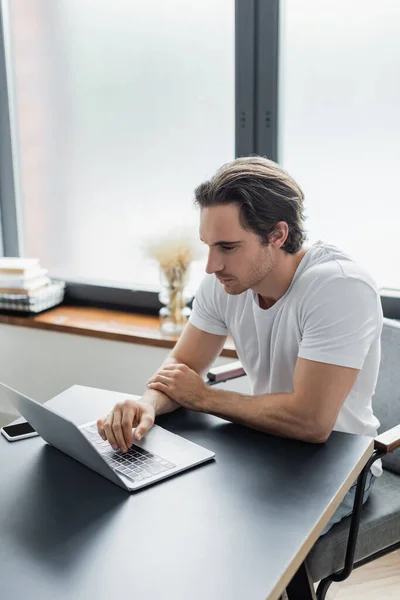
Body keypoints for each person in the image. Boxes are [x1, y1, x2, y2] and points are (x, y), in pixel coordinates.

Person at [97, 156, 383, 534]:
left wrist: (204, 398)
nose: (211, 266)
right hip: (264, 444)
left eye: (228, 247)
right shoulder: (224, 283)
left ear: (277, 235)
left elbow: (312, 422)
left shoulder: (339, 288)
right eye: (209, 246)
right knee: (161, 509)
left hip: (338, 464)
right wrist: (145, 405)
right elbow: (182, 367)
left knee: (234, 537)